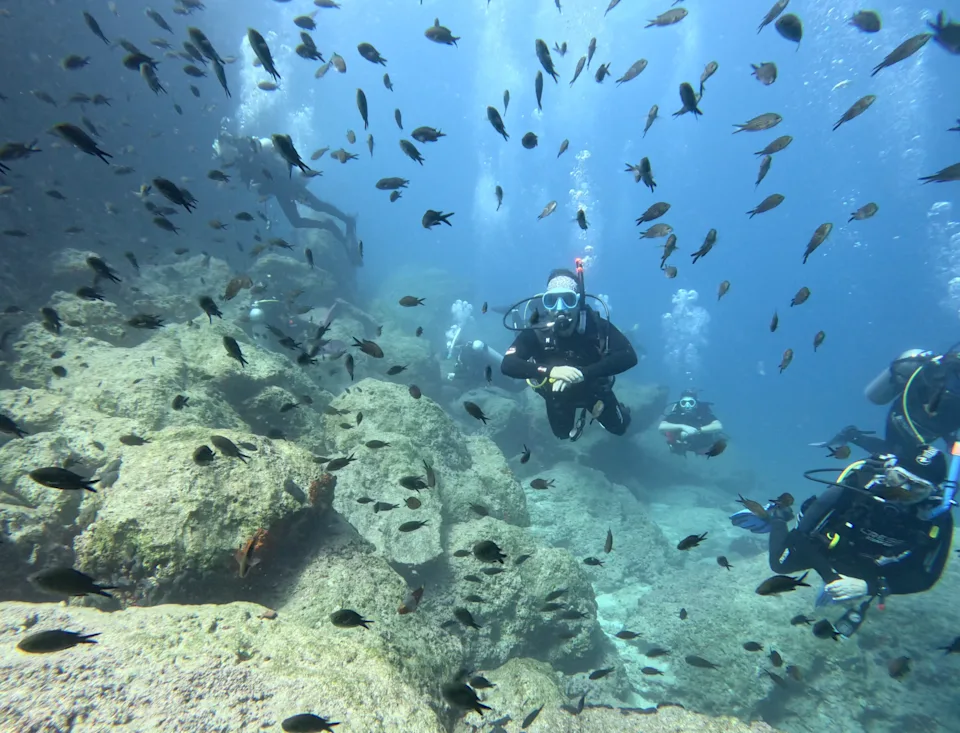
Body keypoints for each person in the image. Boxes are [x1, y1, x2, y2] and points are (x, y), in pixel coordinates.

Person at [733, 443, 955, 638]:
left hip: (866, 561)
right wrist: (832, 579)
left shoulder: (935, 519)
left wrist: (867, 587)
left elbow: (926, 576)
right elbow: (803, 535)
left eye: (917, 489)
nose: (901, 493)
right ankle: (778, 514)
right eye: (898, 479)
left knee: (864, 583)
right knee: (779, 563)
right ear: (888, 471)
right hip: (825, 544)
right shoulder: (859, 483)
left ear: (933, 493)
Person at [500, 263, 637, 440]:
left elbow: (628, 356)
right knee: (562, 435)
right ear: (545, 303)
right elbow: (508, 364)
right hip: (558, 392)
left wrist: (584, 373)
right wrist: (552, 371)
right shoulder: (538, 330)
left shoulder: (595, 326)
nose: (560, 308)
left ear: (579, 302)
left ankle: (619, 411)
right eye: (551, 301)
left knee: (619, 429)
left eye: (568, 299)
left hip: (593, 388)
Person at [212, 131, 361, 265]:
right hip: (280, 191)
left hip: (288, 182)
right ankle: (331, 225)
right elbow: (254, 182)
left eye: (223, 154)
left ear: (226, 145)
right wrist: (253, 187)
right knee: (298, 220)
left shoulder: (246, 146)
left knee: (317, 205)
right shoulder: (239, 162)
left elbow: (267, 163)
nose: (223, 158)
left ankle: (346, 222)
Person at [818, 346, 960, 456]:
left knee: (914, 462)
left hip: (933, 427)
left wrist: (950, 440)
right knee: (895, 454)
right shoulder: (950, 371)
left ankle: (852, 436)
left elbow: (949, 416)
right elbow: (939, 404)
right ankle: (853, 435)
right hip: (906, 417)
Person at [658, 389, 724, 456]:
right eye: (684, 403)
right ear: (680, 404)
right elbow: (662, 427)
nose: (687, 405)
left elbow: (718, 426)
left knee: (708, 449)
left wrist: (697, 430)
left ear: (695, 404)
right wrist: (683, 427)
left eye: (691, 402)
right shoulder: (677, 413)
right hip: (681, 444)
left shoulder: (702, 413)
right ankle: (677, 449)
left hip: (701, 444)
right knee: (669, 432)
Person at [446, 338, 524, 392]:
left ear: (455, 347)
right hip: (493, 370)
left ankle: (532, 376)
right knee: (513, 380)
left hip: (493, 373)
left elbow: (471, 372)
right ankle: (529, 374)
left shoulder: (464, 354)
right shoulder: (467, 350)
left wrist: (455, 376)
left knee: (515, 388)